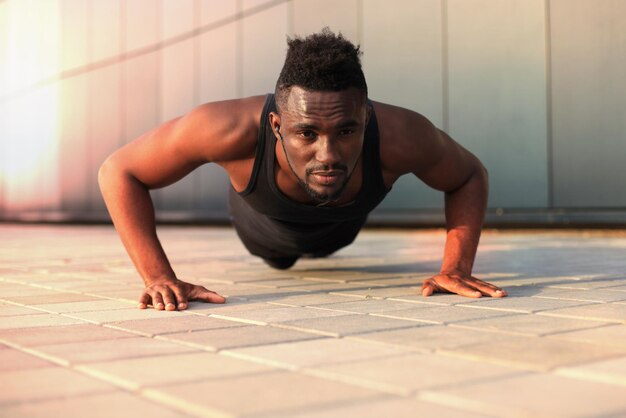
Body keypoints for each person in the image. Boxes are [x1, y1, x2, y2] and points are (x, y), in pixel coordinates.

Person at [98, 29, 507, 311]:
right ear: (277, 126)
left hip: (341, 230)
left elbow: (469, 174)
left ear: (365, 118)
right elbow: (119, 170)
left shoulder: (402, 134)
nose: (328, 154)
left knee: (329, 228)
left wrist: (456, 268)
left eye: (346, 130)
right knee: (279, 259)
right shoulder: (227, 129)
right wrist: (157, 277)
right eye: (307, 133)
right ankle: (279, 251)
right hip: (263, 231)